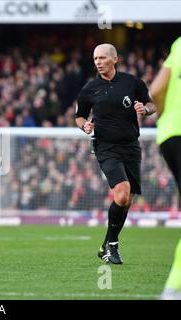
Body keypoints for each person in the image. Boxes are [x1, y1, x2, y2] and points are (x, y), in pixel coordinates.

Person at [75, 43, 157, 264]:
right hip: (105, 146)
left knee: (127, 199)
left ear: (114, 59)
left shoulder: (132, 82)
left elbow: (152, 105)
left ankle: (106, 245)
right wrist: (84, 126)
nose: (98, 62)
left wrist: (145, 109)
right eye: (95, 59)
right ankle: (113, 246)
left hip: (131, 146)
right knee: (121, 193)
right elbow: (80, 116)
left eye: (102, 57)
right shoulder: (90, 89)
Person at [150, 36, 181, 300]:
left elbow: (157, 90)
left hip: (170, 133)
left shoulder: (180, 44)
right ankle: (172, 291)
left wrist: (164, 117)